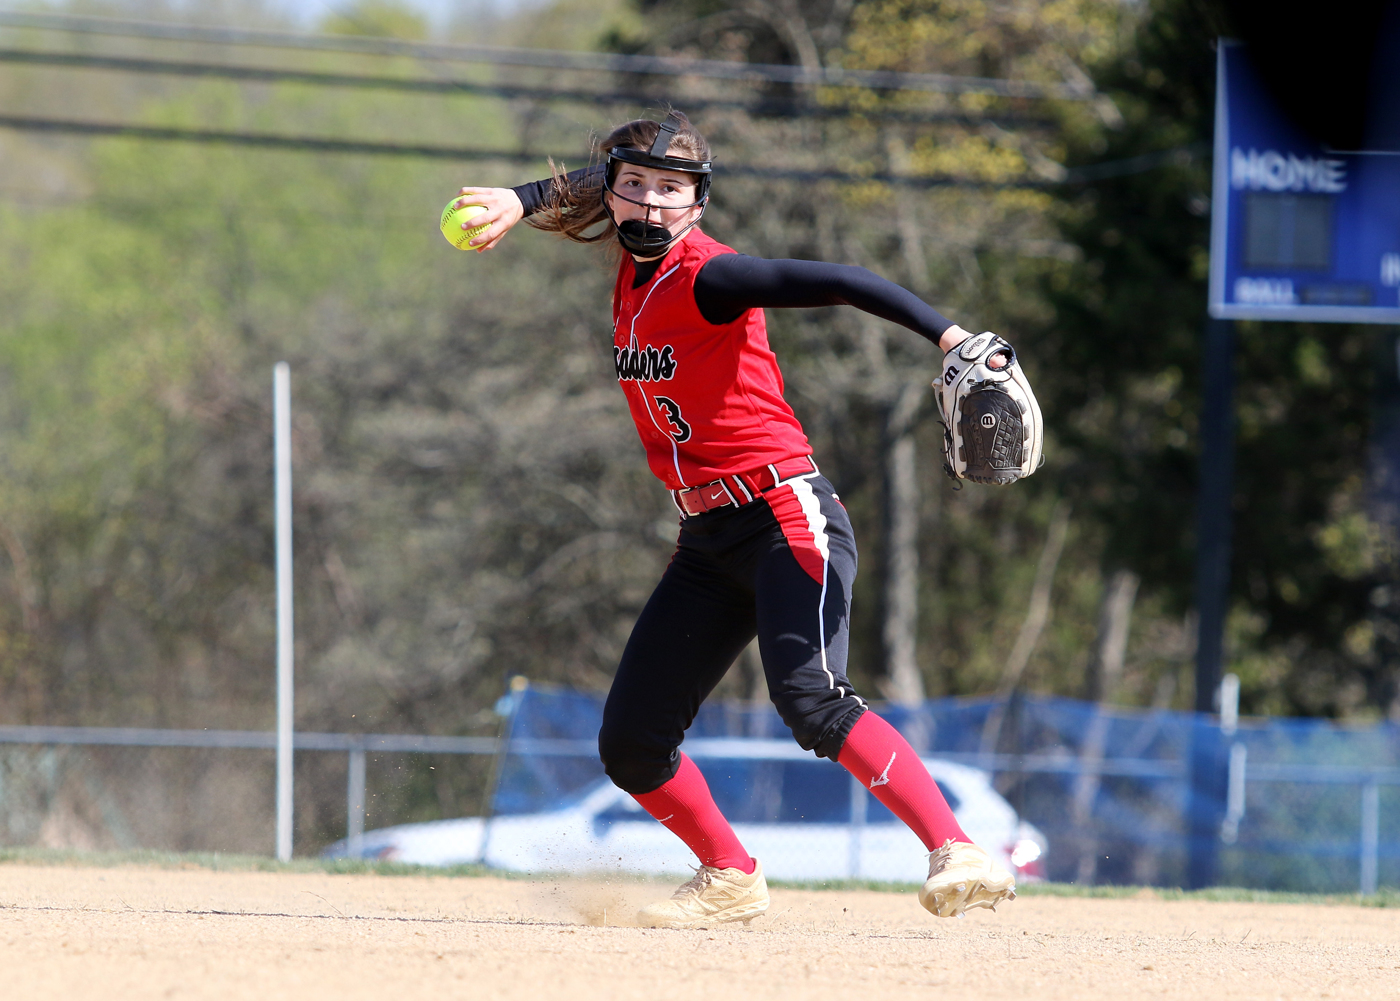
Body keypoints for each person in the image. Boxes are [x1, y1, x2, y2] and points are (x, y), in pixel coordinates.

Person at [451, 111, 1017, 928]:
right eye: (633, 187)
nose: (648, 205)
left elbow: (844, 280)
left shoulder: (710, 277)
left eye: (670, 190)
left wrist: (955, 337)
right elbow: (602, 180)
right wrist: (519, 195)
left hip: (784, 512)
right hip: (706, 539)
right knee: (633, 743)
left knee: (810, 697)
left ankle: (955, 848)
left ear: (698, 203)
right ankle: (729, 874)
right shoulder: (632, 249)